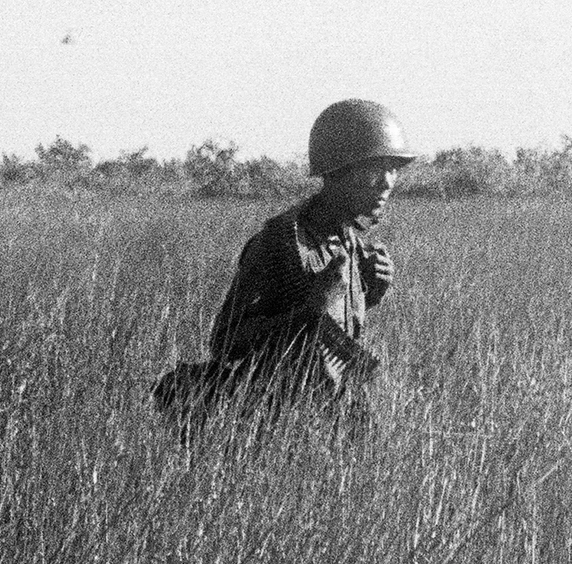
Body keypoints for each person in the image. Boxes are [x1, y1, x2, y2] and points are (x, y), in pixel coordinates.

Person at [160, 98, 412, 415]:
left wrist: (370, 293)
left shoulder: (351, 245)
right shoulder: (281, 244)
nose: (387, 182)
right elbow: (225, 341)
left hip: (328, 418)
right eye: (375, 168)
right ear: (338, 171)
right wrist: (308, 313)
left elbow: (330, 342)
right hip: (274, 418)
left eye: (393, 169)